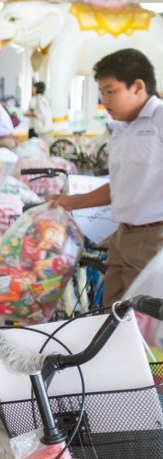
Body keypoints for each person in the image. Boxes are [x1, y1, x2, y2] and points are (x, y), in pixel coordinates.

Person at [50, 49, 163, 305]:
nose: (105, 99)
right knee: (110, 312)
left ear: (137, 86)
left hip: (154, 237)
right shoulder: (122, 130)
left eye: (110, 91)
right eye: (101, 92)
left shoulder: (159, 119)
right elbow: (120, 186)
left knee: (144, 321)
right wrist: (72, 201)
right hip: (122, 233)